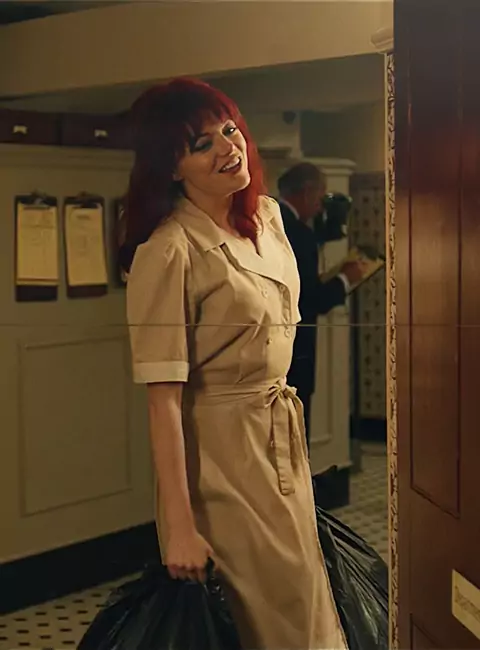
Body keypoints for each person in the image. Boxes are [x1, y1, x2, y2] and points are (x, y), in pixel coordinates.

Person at [123, 78, 347, 650]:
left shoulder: (268, 218)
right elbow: (163, 402)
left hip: (279, 440)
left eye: (229, 130)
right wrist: (179, 528)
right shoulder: (169, 251)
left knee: (305, 606)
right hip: (219, 462)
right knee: (262, 622)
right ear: (171, 168)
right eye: (202, 144)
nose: (228, 147)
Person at [277, 163, 365, 448]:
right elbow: (310, 299)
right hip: (298, 347)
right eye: (319, 196)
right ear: (307, 192)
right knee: (296, 431)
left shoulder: (272, 224)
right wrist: (345, 279)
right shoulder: (300, 235)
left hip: (272, 348)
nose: (319, 207)